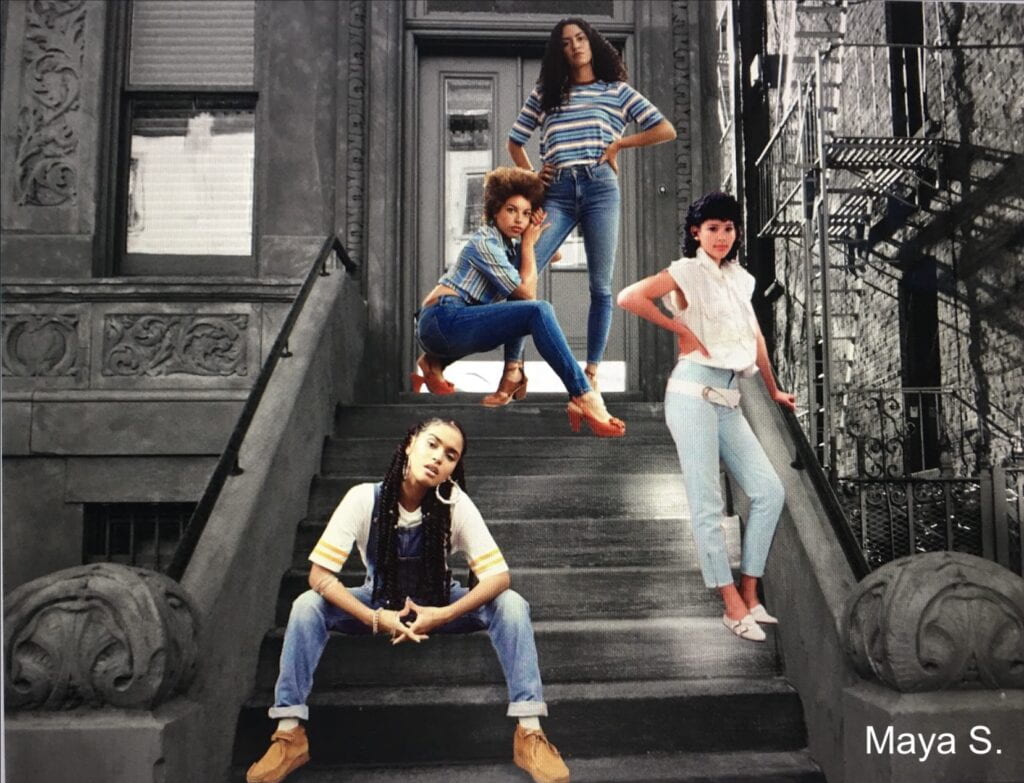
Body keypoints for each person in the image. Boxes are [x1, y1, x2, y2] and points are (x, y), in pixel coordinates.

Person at [246, 418, 572, 783]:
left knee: (512, 603)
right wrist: (375, 619)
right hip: (377, 601)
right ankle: (290, 733)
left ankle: (529, 732)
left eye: (450, 455)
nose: (438, 458)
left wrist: (443, 614)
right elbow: (319, 577)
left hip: (439, 601)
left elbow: (499, 576)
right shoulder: (362, 499)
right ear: (409, 444)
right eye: (432, 445)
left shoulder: (454, 503)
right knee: (307, 605)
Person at [616, 192, 796, 643]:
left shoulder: (741, 279)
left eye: (729, 228)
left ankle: (751, 592)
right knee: (708, 505)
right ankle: (730, 604)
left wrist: (772, 389)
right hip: (693, 393)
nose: (722, 237)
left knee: (769, 490)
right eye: (712, 228)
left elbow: (754, 338)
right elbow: (629, 297)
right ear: (696, 232)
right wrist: (683, 330)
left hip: (729, 396)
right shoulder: (686, 272)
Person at [498, 16, 676, 399]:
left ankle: (591, 373)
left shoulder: (617, 91)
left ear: (592, 43)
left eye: (580, 38)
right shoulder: (547, 92)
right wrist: (533, 178)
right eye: (566, 42)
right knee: (521, 275)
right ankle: (513, 368)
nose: (575, 46)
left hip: (600, 188)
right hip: (557, 191)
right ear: (558, 51)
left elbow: (665, 129)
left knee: (600, 285)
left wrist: (618, 145)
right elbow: (515, 141)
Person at [414, 166, 624, 438]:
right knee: (537, 310)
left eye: (526, 213)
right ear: (494, 210)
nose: (518, 220)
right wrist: (528, 244)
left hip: (449, 325)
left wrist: (535, 232)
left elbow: (551, 254)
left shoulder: (506, 246)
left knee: (520, 310)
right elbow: (526, 292)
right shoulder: (485, 244)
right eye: (511, 210)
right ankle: (583, 394)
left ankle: (434, 363)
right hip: (442, 319)